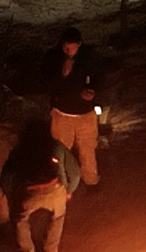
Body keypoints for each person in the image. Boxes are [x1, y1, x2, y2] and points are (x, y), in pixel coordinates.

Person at [9, 125, 81, 252]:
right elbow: (75, 173)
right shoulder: (56, 146)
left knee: (20, 220)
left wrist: (12, 194)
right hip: (54, 189)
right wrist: (69, 190)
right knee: (58, 217)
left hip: (30, 192)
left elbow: (9, 174)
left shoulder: (20, 149)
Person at [43, 25, 102, 192]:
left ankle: (91, 181)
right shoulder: (53, 58)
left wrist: (93, 91)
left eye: (72, 46)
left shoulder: (89, 57)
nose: (68, 49)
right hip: (62, 114)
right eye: (65, 46)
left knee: (88, 149)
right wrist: (63, 75)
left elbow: (99, 77)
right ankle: (59, 185)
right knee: (60, 153)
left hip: (85, 114)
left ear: (79, 44)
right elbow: (46, 84)